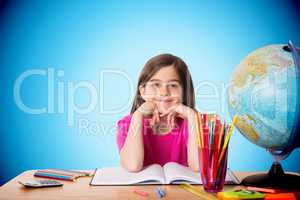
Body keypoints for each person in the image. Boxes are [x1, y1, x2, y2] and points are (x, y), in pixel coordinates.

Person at [116, 53, 199, 172]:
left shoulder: (193, 122)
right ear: (143, 92)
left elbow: (199, 167)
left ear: (185, 92)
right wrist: (138, 115)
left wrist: (192, 116)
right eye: (156, 84)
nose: (164, 92)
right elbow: (132, 165)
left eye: (173, 85)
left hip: (182, 191)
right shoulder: (127, 124)